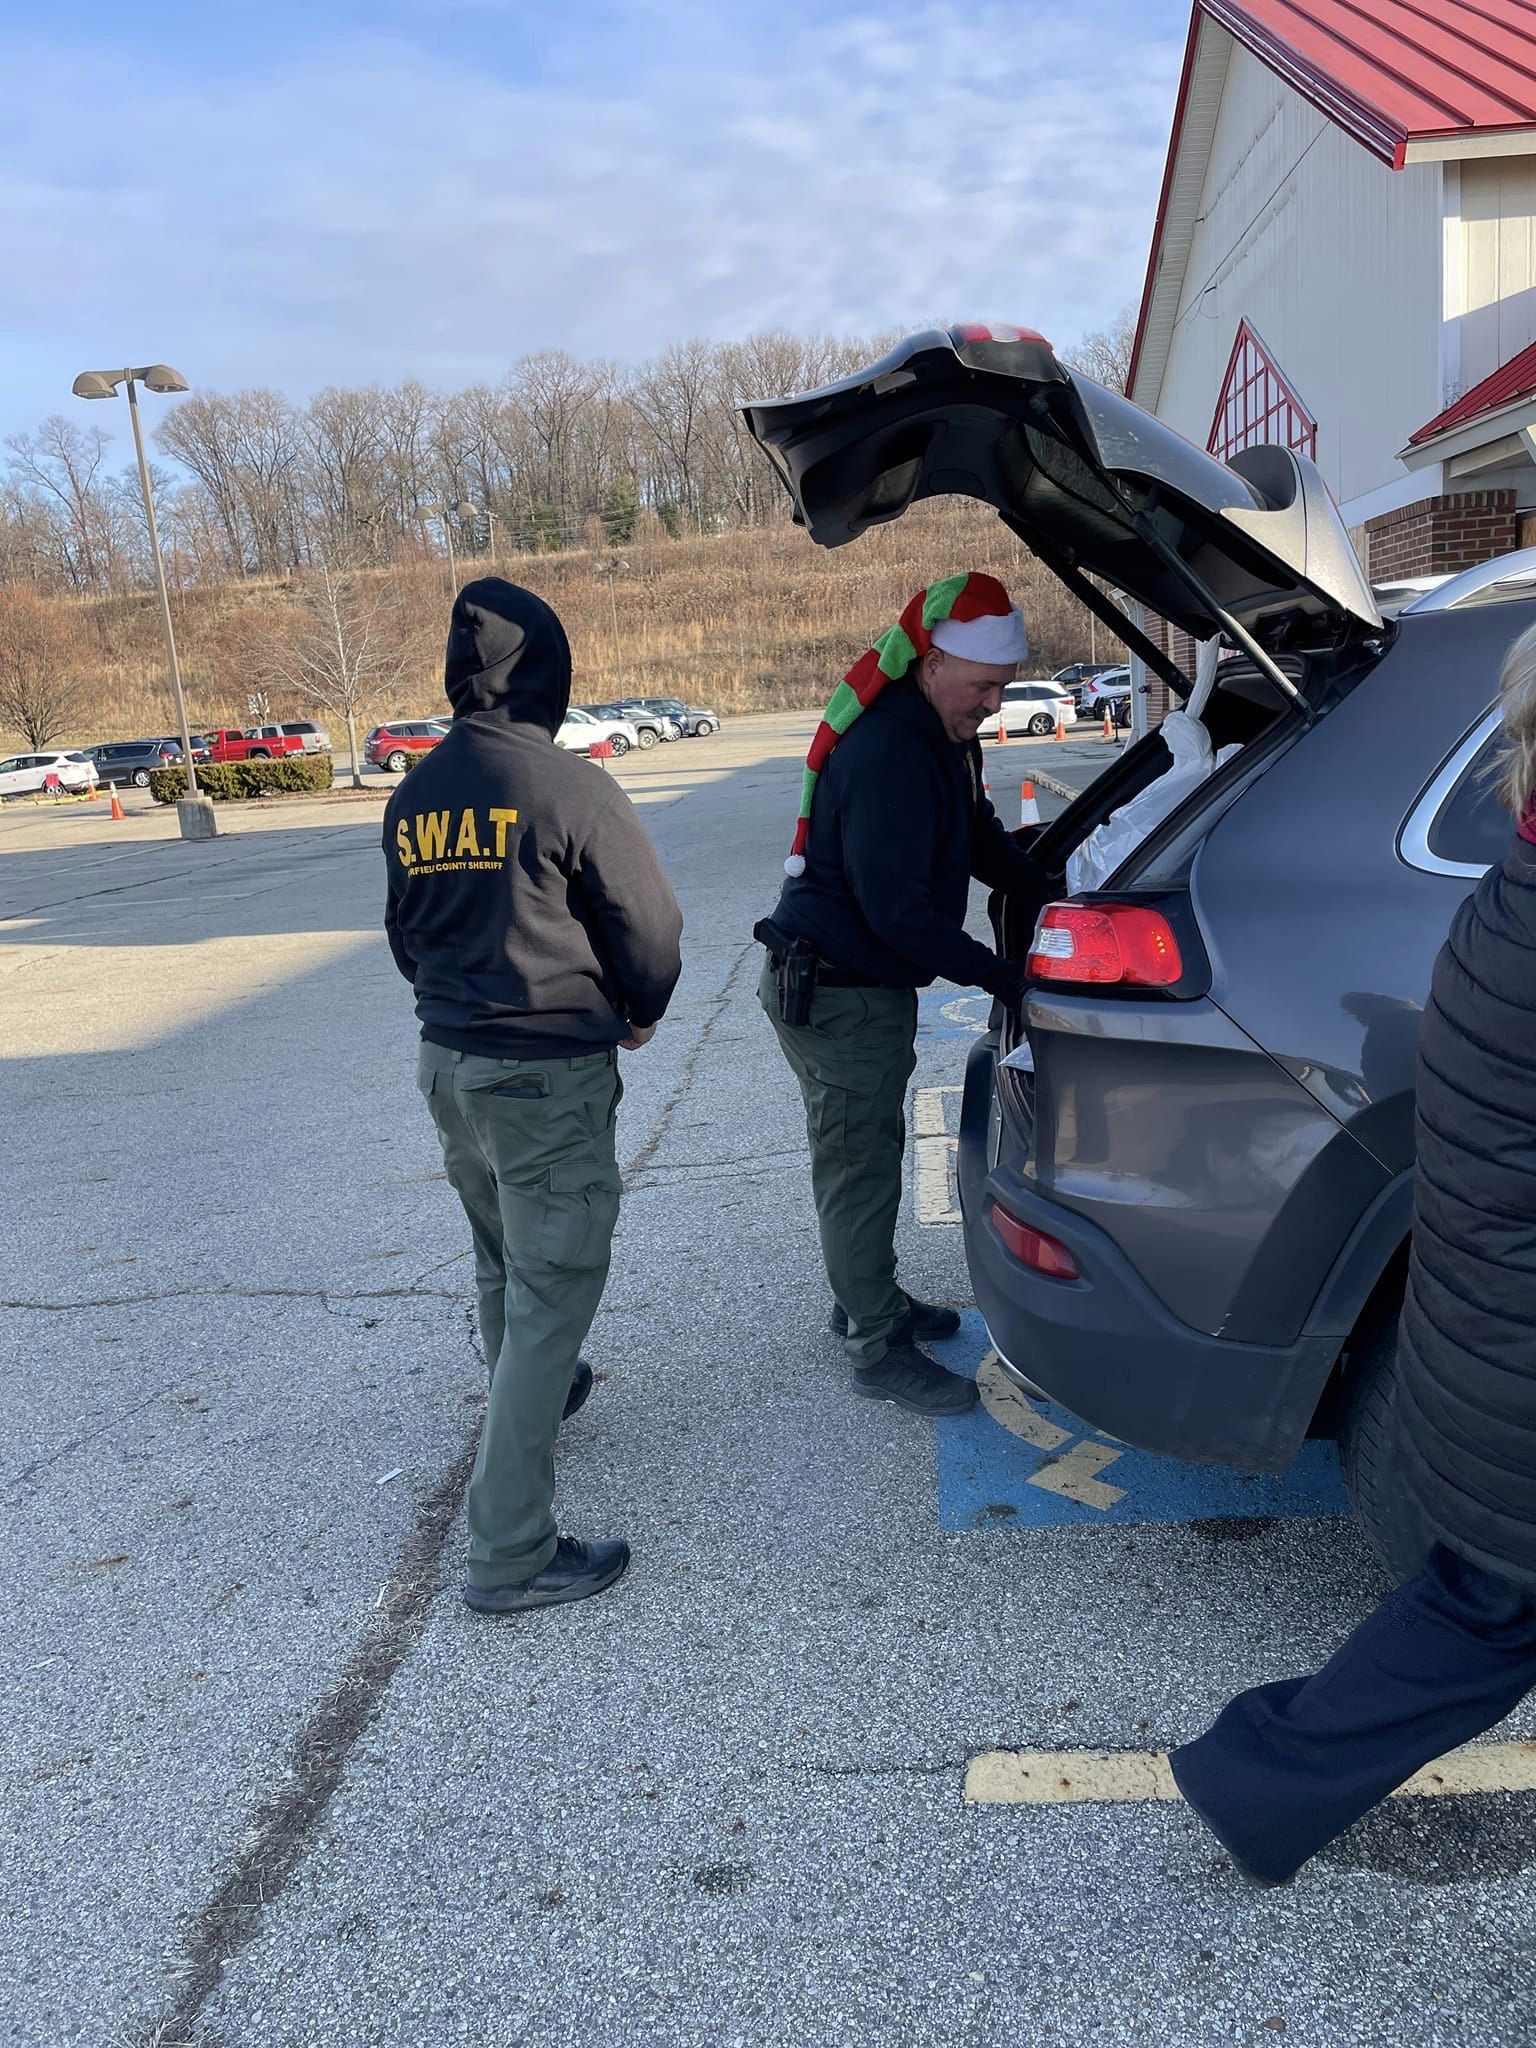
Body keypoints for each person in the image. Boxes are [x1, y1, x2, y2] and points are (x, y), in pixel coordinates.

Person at [1171, 619, 1536, 1884]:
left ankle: (1253, 1779)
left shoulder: (1509, 891)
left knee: (1483, 1613)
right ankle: (1254, 1779)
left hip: (1492, 1363)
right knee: (1484, 1614)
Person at [383, 578, 682, 1616]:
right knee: (554, 1276)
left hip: (450, 1062)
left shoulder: (414, 791)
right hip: (542, 1069)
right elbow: (649, 928)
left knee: (503, 1250)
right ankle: (510, 1546)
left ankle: (540, 1387)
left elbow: (403, 937)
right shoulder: (567, 785)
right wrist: (637, 1007)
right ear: (548, 669)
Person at [756, 572, 1048, 1417]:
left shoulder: (944, 741)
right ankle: (876, 1346)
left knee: (867, 1154)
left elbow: (976, 839)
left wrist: (1051, 888)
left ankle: (870, 1298)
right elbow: (899, 916)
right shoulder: (887, 751)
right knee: (860, 1167)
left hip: (857, 986)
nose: (993, 703)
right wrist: (1006, 978)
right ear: (930, 664)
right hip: (839, 990)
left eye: (1001, 687)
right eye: (983, 685)